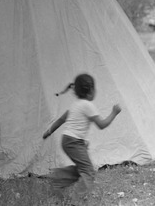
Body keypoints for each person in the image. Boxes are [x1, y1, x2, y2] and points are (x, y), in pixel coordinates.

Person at [42, 73, 121, 204]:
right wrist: (114, 113)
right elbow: (101, 125)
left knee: (82, 169)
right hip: (74, 142)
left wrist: (49, 131)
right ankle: (76, 201)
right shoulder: (88, 105)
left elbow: (61, 120)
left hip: (67, 140)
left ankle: (58, 177)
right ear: (91, 91)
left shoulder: (75, 105)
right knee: (88, 172)